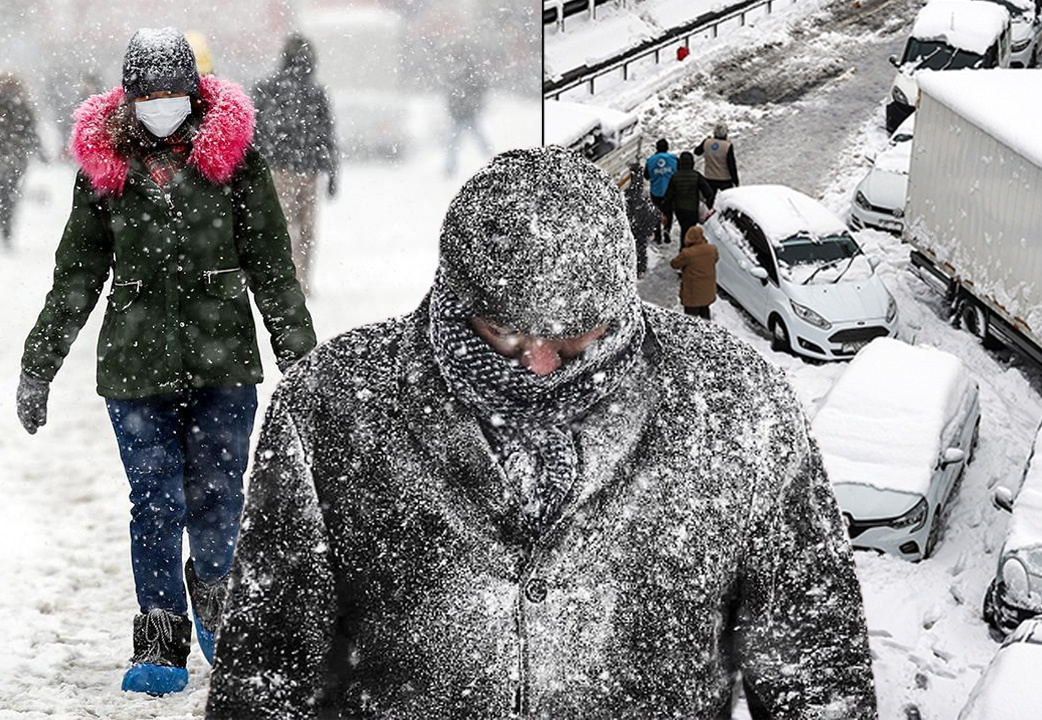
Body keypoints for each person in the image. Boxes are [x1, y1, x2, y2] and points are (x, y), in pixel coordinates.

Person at [206, 146, 877, 718]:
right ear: (455, 296)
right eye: (505, 334)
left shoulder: (734, 398)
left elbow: (814, 661)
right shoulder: (331, 405)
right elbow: (268, 668)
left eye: (578, 338)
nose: (542, 365)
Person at [15, 27, 315, 697]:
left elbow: (273, 269)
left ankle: (216, 600)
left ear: (195, 91)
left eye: (174, 92)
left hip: (224, 365)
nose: (162, 104)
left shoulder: (237, 162)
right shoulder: (105, 170)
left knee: (217, 498)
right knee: (154, 501)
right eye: (149, 94)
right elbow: (75, 275)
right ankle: (159, 633)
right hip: (134, 367)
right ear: (130, 96)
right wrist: (40, 364)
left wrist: (304, 363)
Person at [252, 32, 339, 296]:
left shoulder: (266, 88)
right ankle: (302, 280)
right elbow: (327, 135)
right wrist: (333, 172)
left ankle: (283, 280)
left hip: (277, 170)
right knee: (306, 231)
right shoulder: (316, 93)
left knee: (280, 228)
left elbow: (255, 133)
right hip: (308, 171)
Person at [0, 72, 42, 248]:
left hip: (6, 156)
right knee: (10, 194)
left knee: (5, 193)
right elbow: (31, 132)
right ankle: (7, 224)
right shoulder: (22, 105)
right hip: (16, 158)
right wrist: (41, 152)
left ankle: (5, 219)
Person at [444, 48, 492, 177]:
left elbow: (481, 87)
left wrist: (474, 102)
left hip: (466, 113)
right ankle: (450, 168)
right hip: (461, 114)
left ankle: (450, 168)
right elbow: (451, 95)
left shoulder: (465, 75)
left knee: (460, 142)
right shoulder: (459, 75)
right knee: (457, 142)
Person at [661, 150, 714, 251]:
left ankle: (683, 250)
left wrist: (665, 211)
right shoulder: (696, 176)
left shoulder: (675, 177)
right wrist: (707, 204)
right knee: (691, 229)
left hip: (679, 210)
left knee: (684, 229)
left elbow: (668, 196)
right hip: (693, 209)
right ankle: (690, 251)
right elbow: (709, 192)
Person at [670, 224, 719, 319]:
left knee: (691, 319)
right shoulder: (712, 250)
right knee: (705, 314)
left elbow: (674, 264)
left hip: (692, 293)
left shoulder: (687, 254)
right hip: (706, 291)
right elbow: (715, 259)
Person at [624, 161, 657, 276]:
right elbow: (653, 214)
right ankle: (640, 268)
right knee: (641, 249)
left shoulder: (628, 200)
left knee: (634, 248)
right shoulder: (643, 202)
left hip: (634, 228)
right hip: (641, 229)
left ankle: (637, 267)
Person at [693, 122, 739, 202]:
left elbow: (697, 152)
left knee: (710, 200)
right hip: (725, 179)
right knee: (729, 200)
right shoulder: (727, 146)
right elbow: (731, 165)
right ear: (725, 134)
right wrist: (735, 180)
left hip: (709, 177)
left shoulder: (706, 142)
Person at [644, 138, 677, 244]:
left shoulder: (650, 161)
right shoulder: (673, 159)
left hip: (656, 191)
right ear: (667, 148)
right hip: (669, 191)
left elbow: (646, 176)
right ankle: (667, 230)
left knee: (656, 212)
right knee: (668, 212)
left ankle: (657, 236)